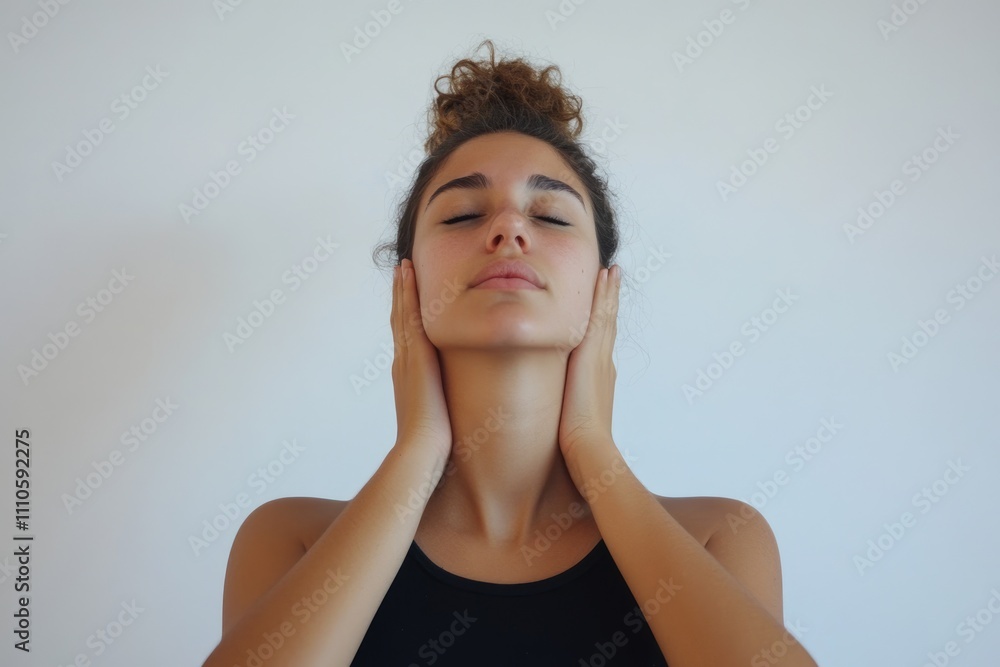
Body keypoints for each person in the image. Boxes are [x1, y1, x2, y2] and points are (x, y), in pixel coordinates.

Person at [202, 39, 819, 667]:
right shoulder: (291, 541)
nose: (509, 229)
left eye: (550, 216)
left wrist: (593, 449)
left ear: (603, 286)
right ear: (407, 283)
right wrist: (416, 451)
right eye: (462, 214)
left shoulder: (721, 538)